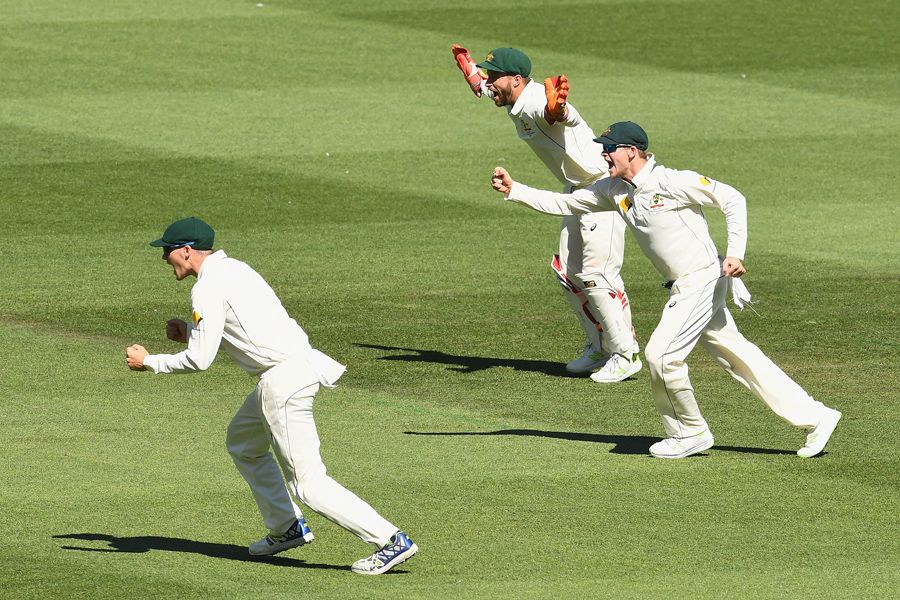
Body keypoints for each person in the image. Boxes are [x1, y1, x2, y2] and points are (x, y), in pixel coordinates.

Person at [490, 122, 842, 458]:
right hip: (683, 286)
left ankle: (689, 432)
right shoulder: (613, 189)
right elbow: (566, 204)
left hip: (702, 278)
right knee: (738, 355)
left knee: (661, 356)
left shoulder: (672, 181)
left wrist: (736, 252)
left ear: (631, 151)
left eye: (610, 149)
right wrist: (515, 190)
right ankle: (816, 416)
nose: (605, 155)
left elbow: (732, 199)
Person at [124, 217, 418, 574]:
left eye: (168, 252)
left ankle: (390, 540)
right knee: (243, 442)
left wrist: (150, 362)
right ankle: (286, 527)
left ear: (186, 251)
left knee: (308, 483)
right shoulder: (236, 270)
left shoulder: (206, 287)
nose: (165, 259)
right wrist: (190, 331)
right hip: (293, 369)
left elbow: (201, 360)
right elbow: (252, 331)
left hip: (283, 382)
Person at [452, 45, 641, 383]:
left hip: (603, 187)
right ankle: (599, 345)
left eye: (495, 77)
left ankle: (626, 354)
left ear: (517, 79)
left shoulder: (540, 101)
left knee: (599, 275)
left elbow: (559, 114)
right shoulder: (513, 95)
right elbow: (489, 87)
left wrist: (558, 108)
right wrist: (475, 78)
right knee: (568, 274)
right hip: (576, 188)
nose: (490, 82)